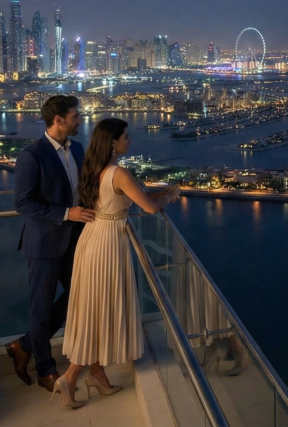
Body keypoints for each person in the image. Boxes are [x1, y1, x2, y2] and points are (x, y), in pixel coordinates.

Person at [51, 118, 180, 408]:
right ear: (113, 142)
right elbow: (147, 206)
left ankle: (97, 374)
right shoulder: (118, 172)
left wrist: (157, 195)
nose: (130, 141)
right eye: (126, 136)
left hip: (92, 237)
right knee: (100, 308)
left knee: (93, 306)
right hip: (108, 242)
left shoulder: (93, 168)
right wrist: (170, 195)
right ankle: (70, 377)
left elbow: (137, 198)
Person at [6, 95, 95, 394]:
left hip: (74, 239)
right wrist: (65, 213)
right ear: (58, 120)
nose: (80, 119)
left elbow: (85, 188)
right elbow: (23, 203)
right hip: (43, 242)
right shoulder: (32, 155)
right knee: (40, 309)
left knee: (80, 296)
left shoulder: (78, 149)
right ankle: (45, 370)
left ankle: (25, 345)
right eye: (75, 115)